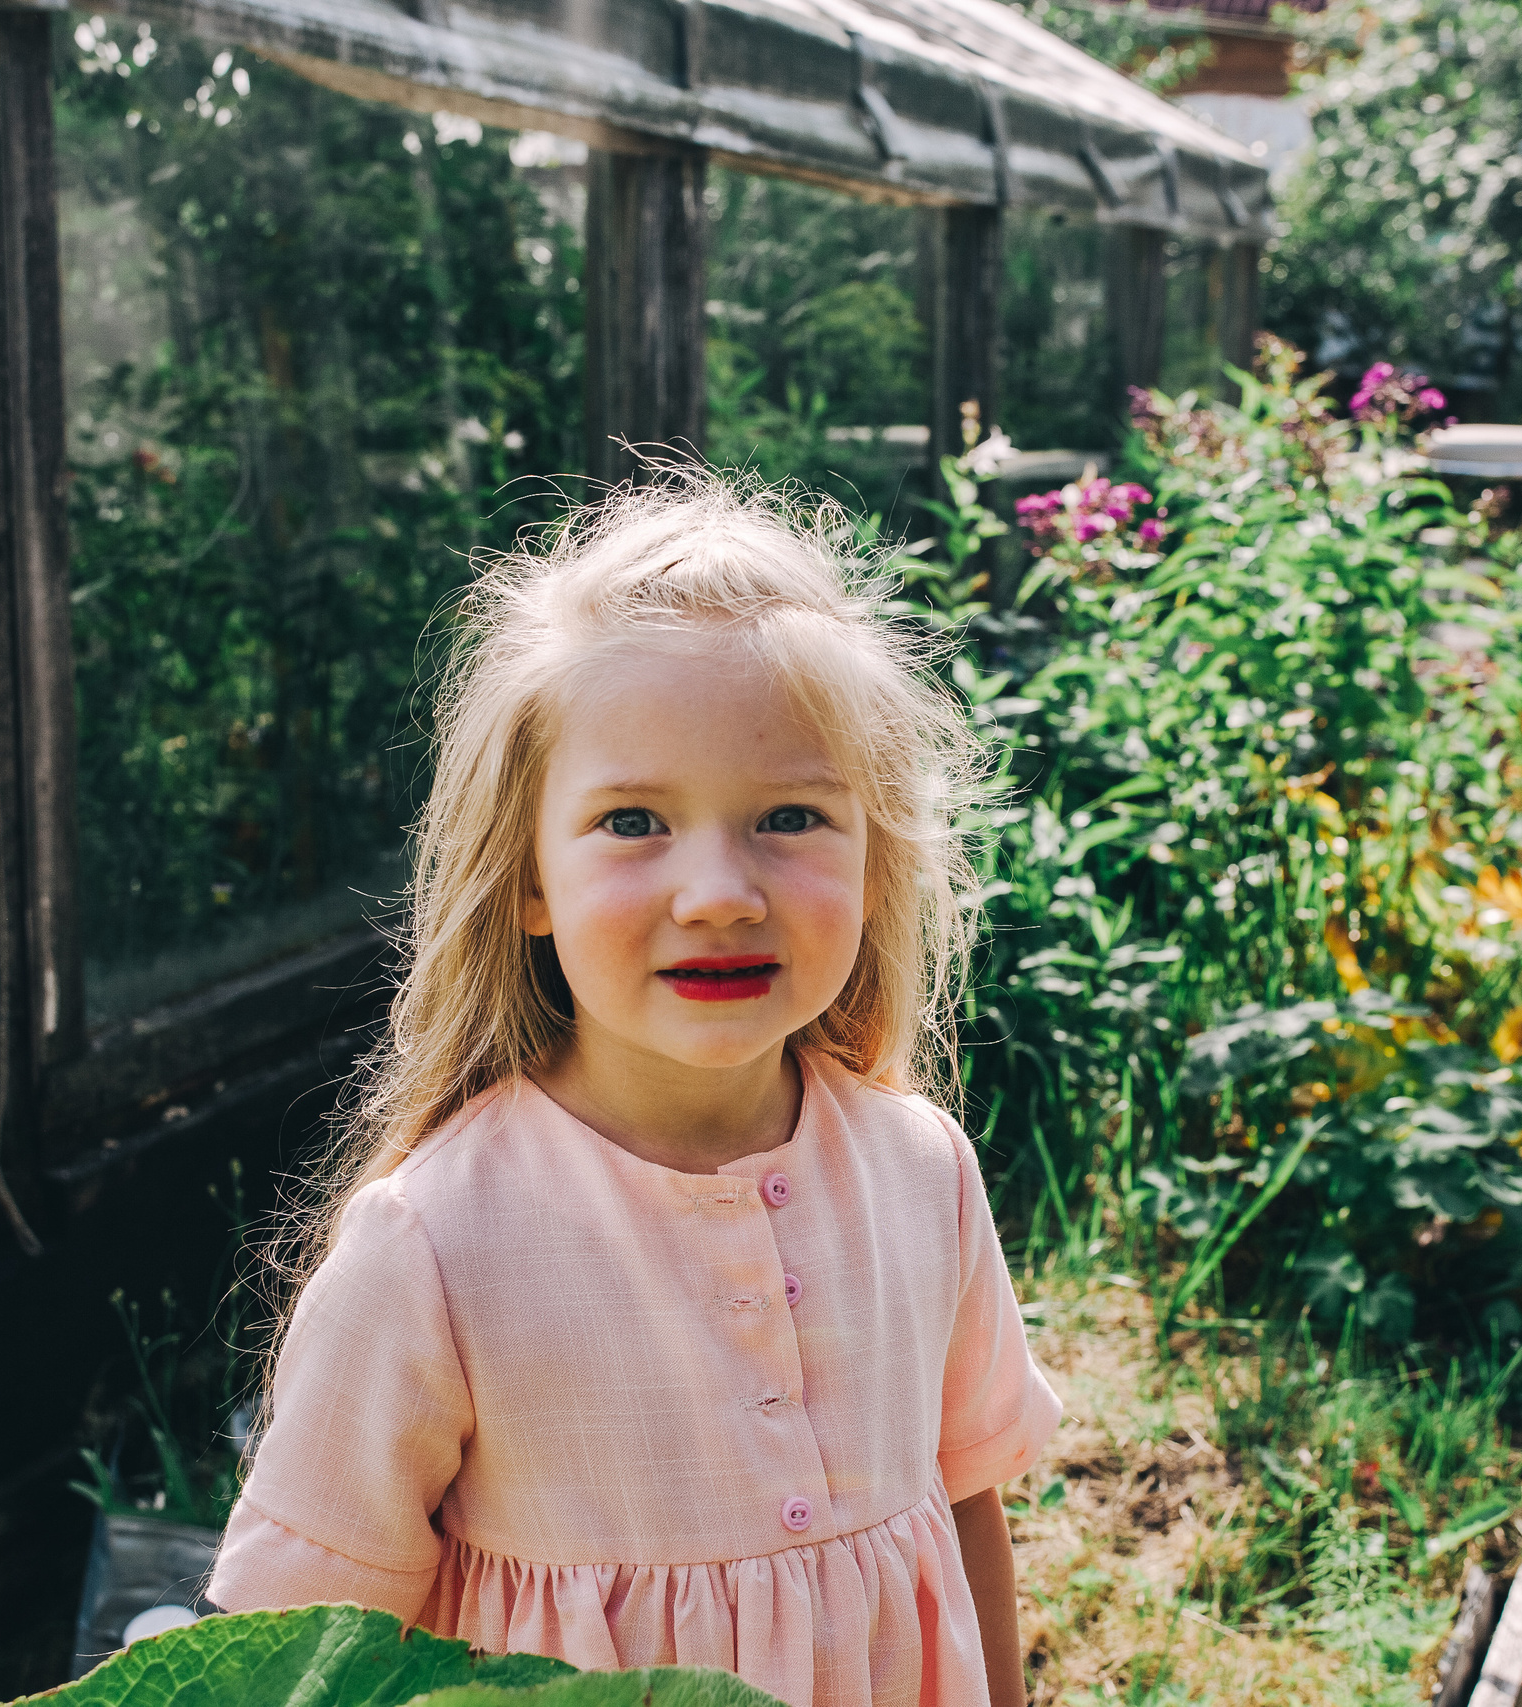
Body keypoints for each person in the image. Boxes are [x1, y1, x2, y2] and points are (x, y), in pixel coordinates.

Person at [207, 471, 1062, 1707]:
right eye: (631, 822)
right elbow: (293, 1657)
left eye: (787, 814)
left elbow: (963, 1498)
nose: (717, 890)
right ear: (528, 880)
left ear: (878, 859)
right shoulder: (436, 1246)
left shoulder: (921, 1171)